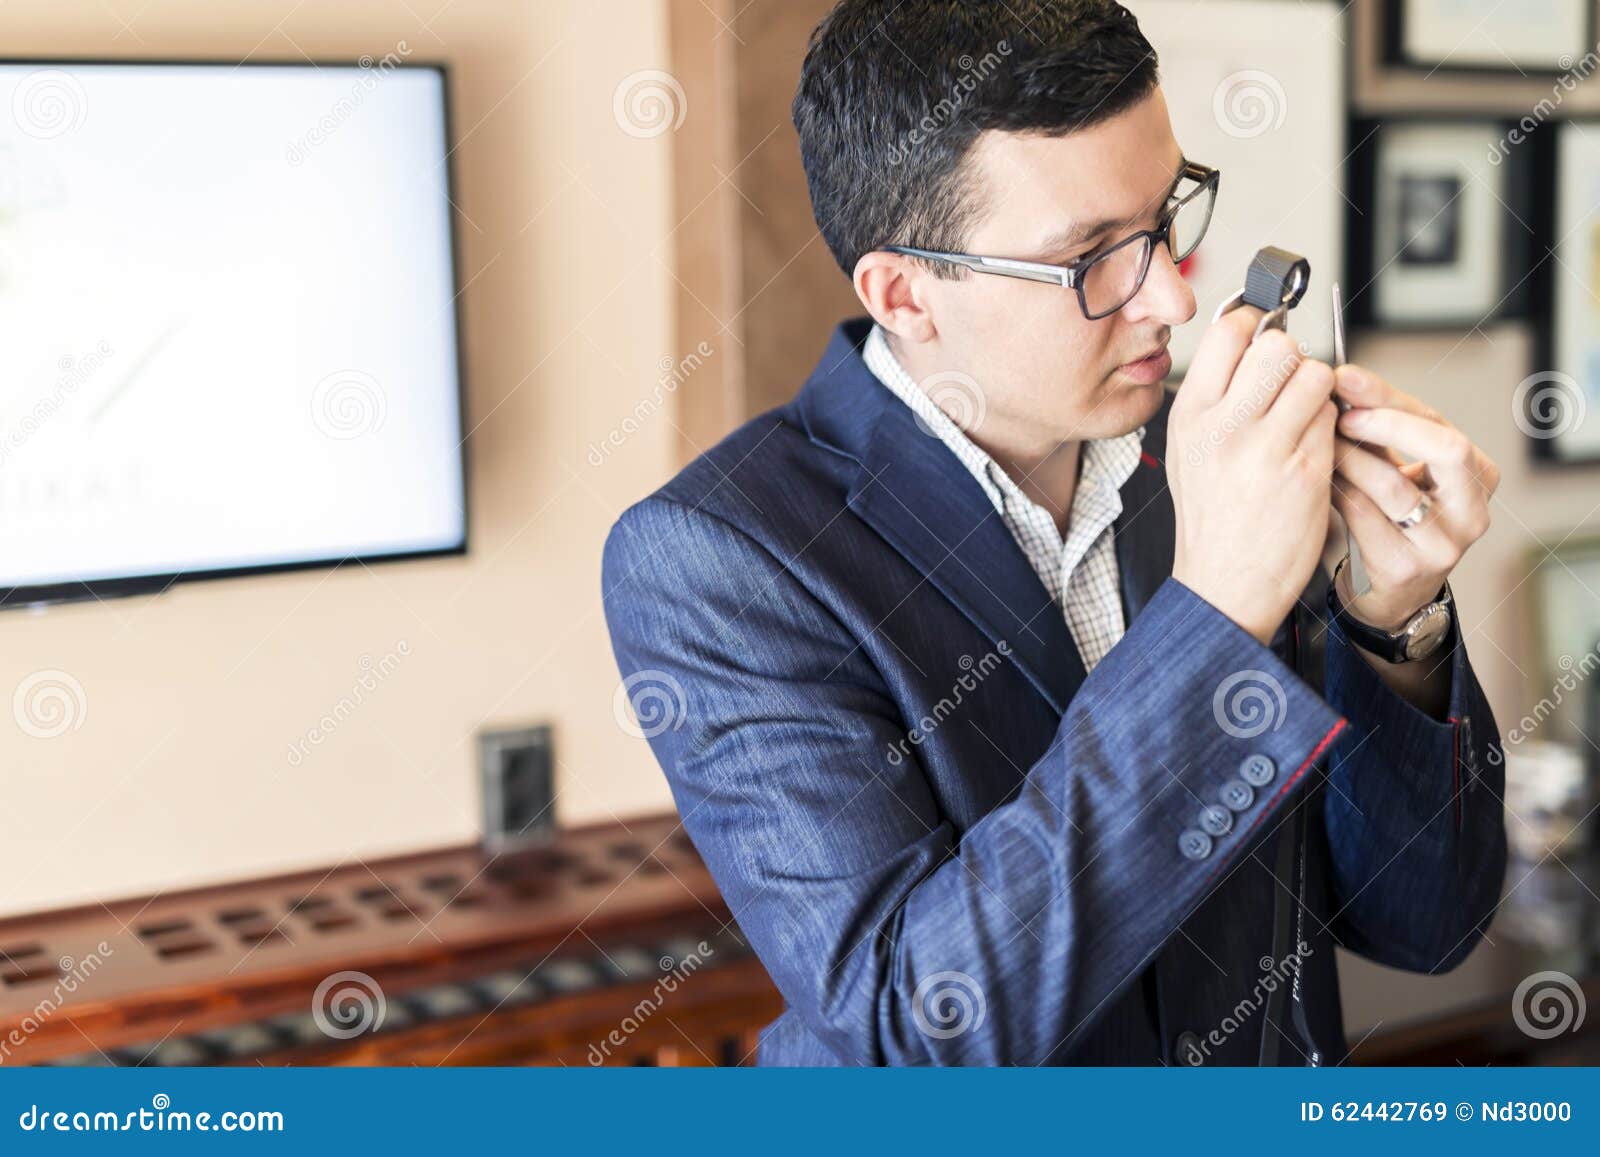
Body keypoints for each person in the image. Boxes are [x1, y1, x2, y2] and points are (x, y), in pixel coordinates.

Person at [602, 0, 1506, 1066]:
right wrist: (1212, 610)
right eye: (1091, 257)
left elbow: (1426, 924)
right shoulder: (718, 558)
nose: (1172, 298)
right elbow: (920, 1031)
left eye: (1164, 220)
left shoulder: (1209, 450)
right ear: (904, 292)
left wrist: (1391, 624)